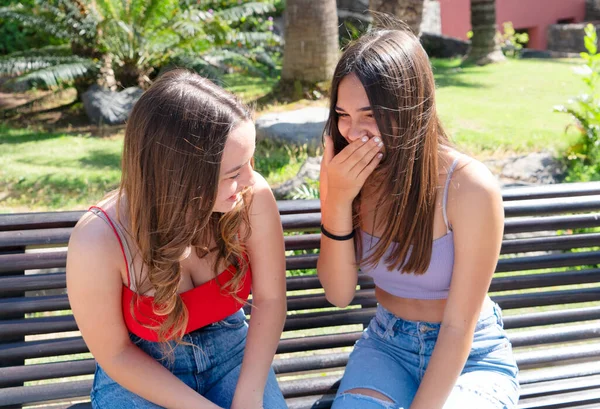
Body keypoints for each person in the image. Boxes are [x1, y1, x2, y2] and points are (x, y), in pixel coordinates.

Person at [317, 27, 519, 409]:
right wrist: (337, 200)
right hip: (387, 346)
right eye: (342, 114)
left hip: (471, 353)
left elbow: (459, 327)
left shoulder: (469, 187)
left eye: (369, 115)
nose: (353, 132)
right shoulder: (345, 175)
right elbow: (339, 294)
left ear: (410, 108)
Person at [67, 69, 288, 409]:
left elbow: (271, 300)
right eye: (233, 172)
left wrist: (249, 395)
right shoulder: (97, 240)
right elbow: (115, 354)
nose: (249, 179)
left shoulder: (251, 196)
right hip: (142, 372)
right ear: (182, 177)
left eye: (250, 161)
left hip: (234, 352)